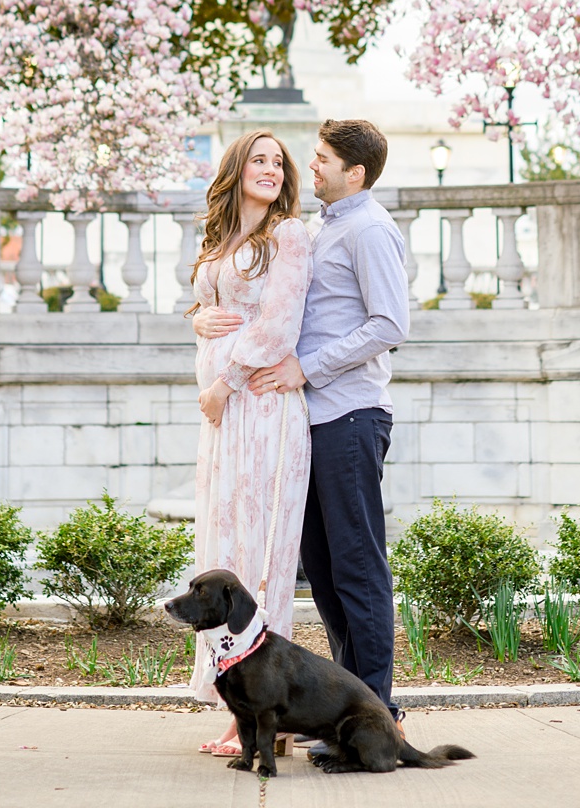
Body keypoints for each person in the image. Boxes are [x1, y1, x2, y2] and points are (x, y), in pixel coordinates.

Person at [241, 118, 408, 734]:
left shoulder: (370, 230)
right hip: (309, 422)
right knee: (326, 569)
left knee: (358, 567)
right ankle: (348, 712)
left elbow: (390, 325)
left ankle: (378, 718)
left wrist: (304, 368)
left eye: (321, 160)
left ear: (354, 172)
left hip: (351, 417)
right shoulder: (321, 227)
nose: (309, 167)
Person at [184, 130, 314, 756]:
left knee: (262, 560)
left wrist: (226, 381)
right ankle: (239, 707)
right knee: (224, 546)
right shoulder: (217, 240)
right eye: (258, 160)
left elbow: (280, 323)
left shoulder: (288, 235)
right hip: (224, 420)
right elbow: (210, 312)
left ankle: (268, 716)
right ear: (235, 170)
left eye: (277, 163)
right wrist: (195, 317)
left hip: (262, 408)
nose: (269, 169)